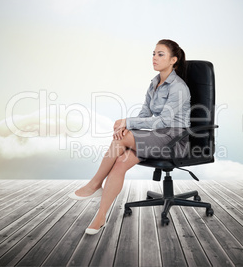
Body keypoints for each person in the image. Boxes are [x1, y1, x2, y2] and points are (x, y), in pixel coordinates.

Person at [68, 39, 191, 235]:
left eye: (160, 54)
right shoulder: (154, 83)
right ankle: (100, 217)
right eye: (153, 53)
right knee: (120, 162)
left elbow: (163, 122)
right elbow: (145, 114)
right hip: (156, 136)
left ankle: (94, 184)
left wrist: (127, 124)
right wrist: (128, 126)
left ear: (173, 60)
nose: (154, 58)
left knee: (122, 137)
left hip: (175, 139)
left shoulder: (178, 88)